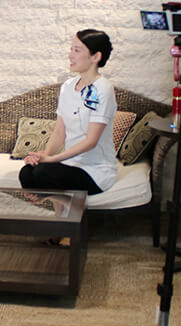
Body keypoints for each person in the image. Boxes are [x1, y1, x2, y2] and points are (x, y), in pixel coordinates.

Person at [19, 29, 117, 200]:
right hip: (69, 164)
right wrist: (45, 155)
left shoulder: (102, 89)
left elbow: (91, 141)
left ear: (95, 57)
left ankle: (52, 203)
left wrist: (52, 160)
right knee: (27, 172)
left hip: (95, 170)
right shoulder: (67, 87)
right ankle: (50, 203)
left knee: (42, 173)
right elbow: (59, 132)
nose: (70, 56)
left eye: (77, 50)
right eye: (71, 49)